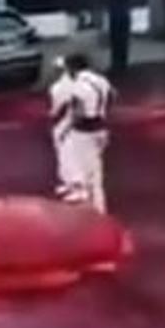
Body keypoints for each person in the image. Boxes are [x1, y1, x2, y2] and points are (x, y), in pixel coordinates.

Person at [62, 53, 114, 213]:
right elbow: (112, 95)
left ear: (72, 68)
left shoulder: (78, 86)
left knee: (84, 171)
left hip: (84, 131)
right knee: (96, 170)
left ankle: (93, 211)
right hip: (101, 128)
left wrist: (67, 128)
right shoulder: (101, 80)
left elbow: (78, 112)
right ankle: (99, 206)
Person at [48, 56, 79, 200]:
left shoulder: (58, 88)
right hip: (67, 124)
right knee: (64, 156)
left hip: (68, 125)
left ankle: (78, 189)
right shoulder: (76, 84)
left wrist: (53, 115)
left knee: (70, 156)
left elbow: (57, 109)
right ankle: (68, 184)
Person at [103, 0, 131, 75]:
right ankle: (118, 63)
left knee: (120, 42)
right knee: (117, 42)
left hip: (120, 17)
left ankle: (120, 64)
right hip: (117, 17)